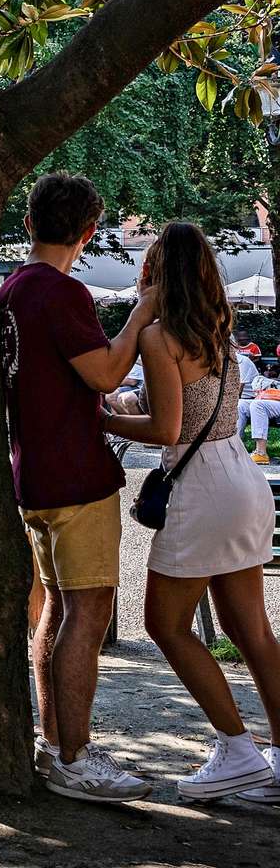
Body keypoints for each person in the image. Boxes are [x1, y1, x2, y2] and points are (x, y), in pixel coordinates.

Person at [102, 223, 280, 801]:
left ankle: (237, 750)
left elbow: (166, 428)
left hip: (201, 486)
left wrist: (99, 419)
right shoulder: (216, 333)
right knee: (250, 629)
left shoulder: (157, 337)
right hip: (243, 481)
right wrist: (124, 401)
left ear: (154, 274)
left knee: (165, 625)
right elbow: (187, 402)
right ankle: (275, 754)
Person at [1, 172, 153, 802]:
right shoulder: (63, 293)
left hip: (31, 472)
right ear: (89, 232)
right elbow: (106, 372)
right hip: (77, 475)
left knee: (55, 611)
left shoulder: (10, 289)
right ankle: (74, 758)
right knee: (88, 613)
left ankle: (54, 743)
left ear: (31, 221)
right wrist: (143, 310)